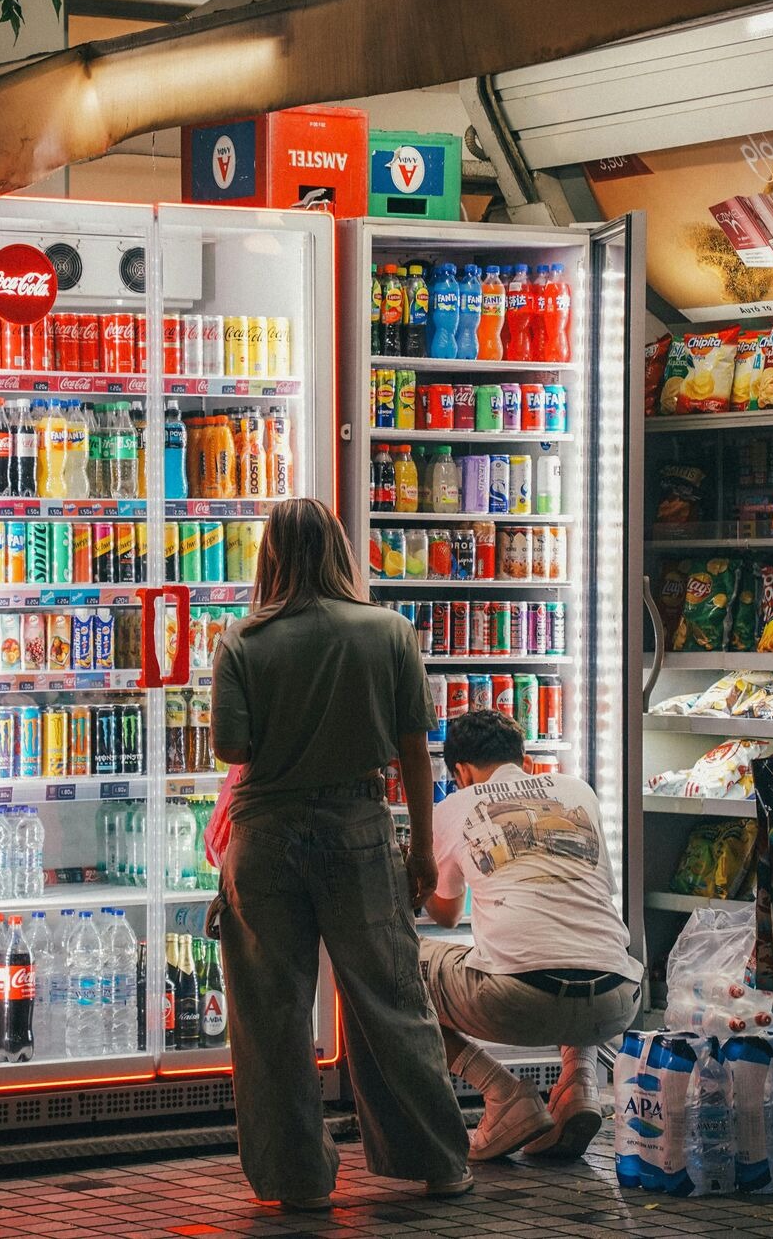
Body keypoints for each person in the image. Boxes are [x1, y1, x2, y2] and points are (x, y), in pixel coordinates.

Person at [210, 498, 471, 1211]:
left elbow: (231, 748)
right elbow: (416, 750)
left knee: (271, 1014)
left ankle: (294, 1180)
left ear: (268, 554)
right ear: (339, 549)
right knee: (390, 999)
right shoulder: (388, 631)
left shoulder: (241, 640)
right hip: (359, 825)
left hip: (262, 837)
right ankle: (438, 1160)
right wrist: (419, 846)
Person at [420, 711, 642, 1162]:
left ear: (460, 771)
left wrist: (412, 872)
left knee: (391, 968)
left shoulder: (453, 808)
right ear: (522, 757)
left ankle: (502, 1093)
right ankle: (578, 1084)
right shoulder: (578, 791)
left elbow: (445, 915)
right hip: (618, 999)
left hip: (519, 1001)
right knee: (569, 930)